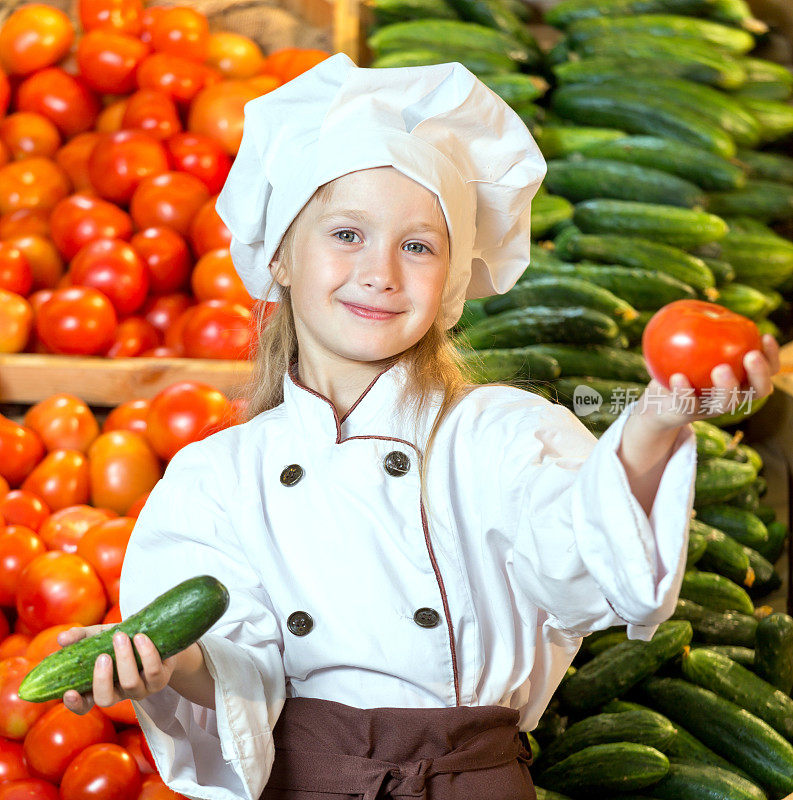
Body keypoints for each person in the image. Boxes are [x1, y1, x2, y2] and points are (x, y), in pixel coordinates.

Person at [56, 53, 781, 800]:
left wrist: (655, 424)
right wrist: (172, 665)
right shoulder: (217, 478)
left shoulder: (501, 435)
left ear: (449, 287)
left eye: (417, 246)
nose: (381, 272)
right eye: (346, 234)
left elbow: (587, 557)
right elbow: (237, 670)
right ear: (278, 255)